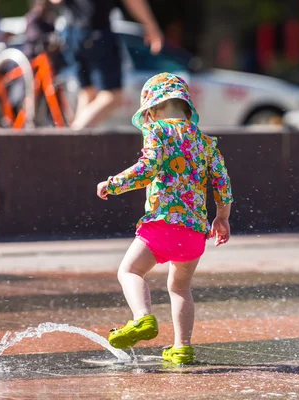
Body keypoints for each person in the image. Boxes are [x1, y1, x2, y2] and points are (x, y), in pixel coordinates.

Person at [96, 72, 234, 365]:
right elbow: (222, 183)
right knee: (180, 287)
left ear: (152, 110)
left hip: (162, 225)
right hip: (195, 234)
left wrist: (114, 183)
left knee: (130, 272)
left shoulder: (157, 130)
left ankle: (143, 318)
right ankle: (182, 348)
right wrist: (222, 218)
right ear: (186, 108)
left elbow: (147, 168)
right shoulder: (206, 143)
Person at [48, 0, 163, 130]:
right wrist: (151, 26)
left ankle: (78, 146)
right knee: (113, 96)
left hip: (71, 35)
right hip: (96, 31)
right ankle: (72, 139)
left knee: (87, 93)